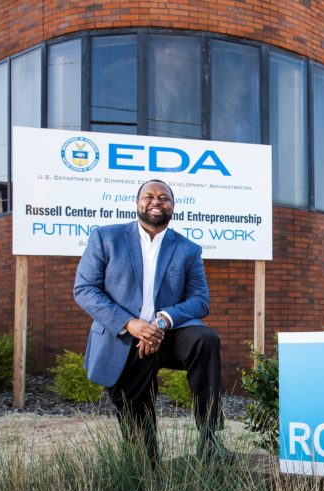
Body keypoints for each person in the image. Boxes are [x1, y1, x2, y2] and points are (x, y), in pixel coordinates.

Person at [74, 179, 229, 464]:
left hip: (168, 335)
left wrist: (162, 323)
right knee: (139, 438)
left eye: (164, 197)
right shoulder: (106, 238)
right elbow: (85, 289)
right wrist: (130, 324)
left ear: (173, 206)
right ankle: (147, 469)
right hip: (124, 338)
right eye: (149, 196)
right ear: (138, 203)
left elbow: (199, 301)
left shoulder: (188, 249)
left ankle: (209, 438)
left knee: (204, 340)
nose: (156, 201)